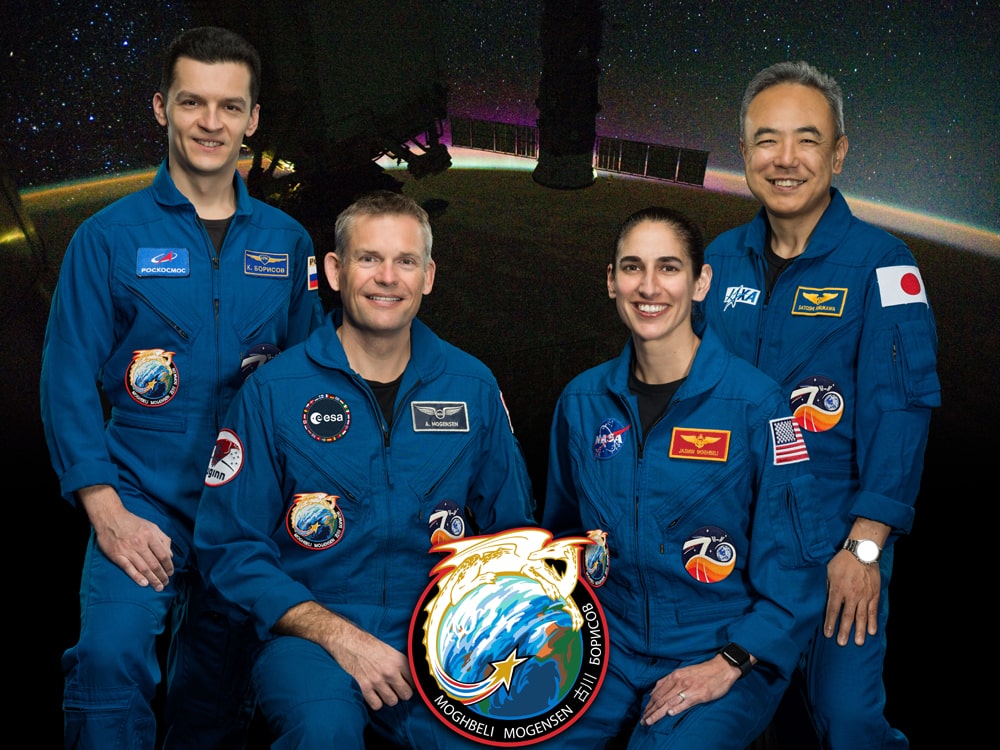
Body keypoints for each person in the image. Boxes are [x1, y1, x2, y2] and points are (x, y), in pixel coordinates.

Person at [40, 26, 325, 749]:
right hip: (140, 495)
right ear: (161, 107)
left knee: (215, 692)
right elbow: (68, 375)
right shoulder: (107, 239)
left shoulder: (287, 244)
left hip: (244, 505)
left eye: (230, 107)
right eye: (193, 102)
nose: (210, 122)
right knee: (108, 663)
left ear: (253, 119)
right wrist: (103, 509)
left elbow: (308, 375)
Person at [193, 189, 537, 747]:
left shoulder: (471, 386)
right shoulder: (273, 392)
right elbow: (228, 546)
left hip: (440, 635)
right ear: (335, 269)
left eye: (405, 261)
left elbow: (512, 530)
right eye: (368, 258)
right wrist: (336, 635)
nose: (387, 277)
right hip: (310, 636)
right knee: (324, 730)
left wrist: (486, 635)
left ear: (428, 276)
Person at [696, 61, 941, 749]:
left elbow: (903, 409)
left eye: (807, 139)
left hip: (835, 542)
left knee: (847, 719)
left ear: (837, 152)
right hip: (732, 540)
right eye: (766, 140)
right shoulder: (719, 262)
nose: (785, 159)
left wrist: (864, 548)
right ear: (744, 154)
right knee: (718, 713)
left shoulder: (882, 266)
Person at [542, 206, 828, 749]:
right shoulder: (581, 402)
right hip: (609, 648)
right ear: (611, 281)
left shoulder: (758, 406)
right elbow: (561, 537)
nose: (649, 287)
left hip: (720, 649)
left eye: (669, 268)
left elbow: (795, 569)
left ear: (701, 282)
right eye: (632, 267)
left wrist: (733, 660)